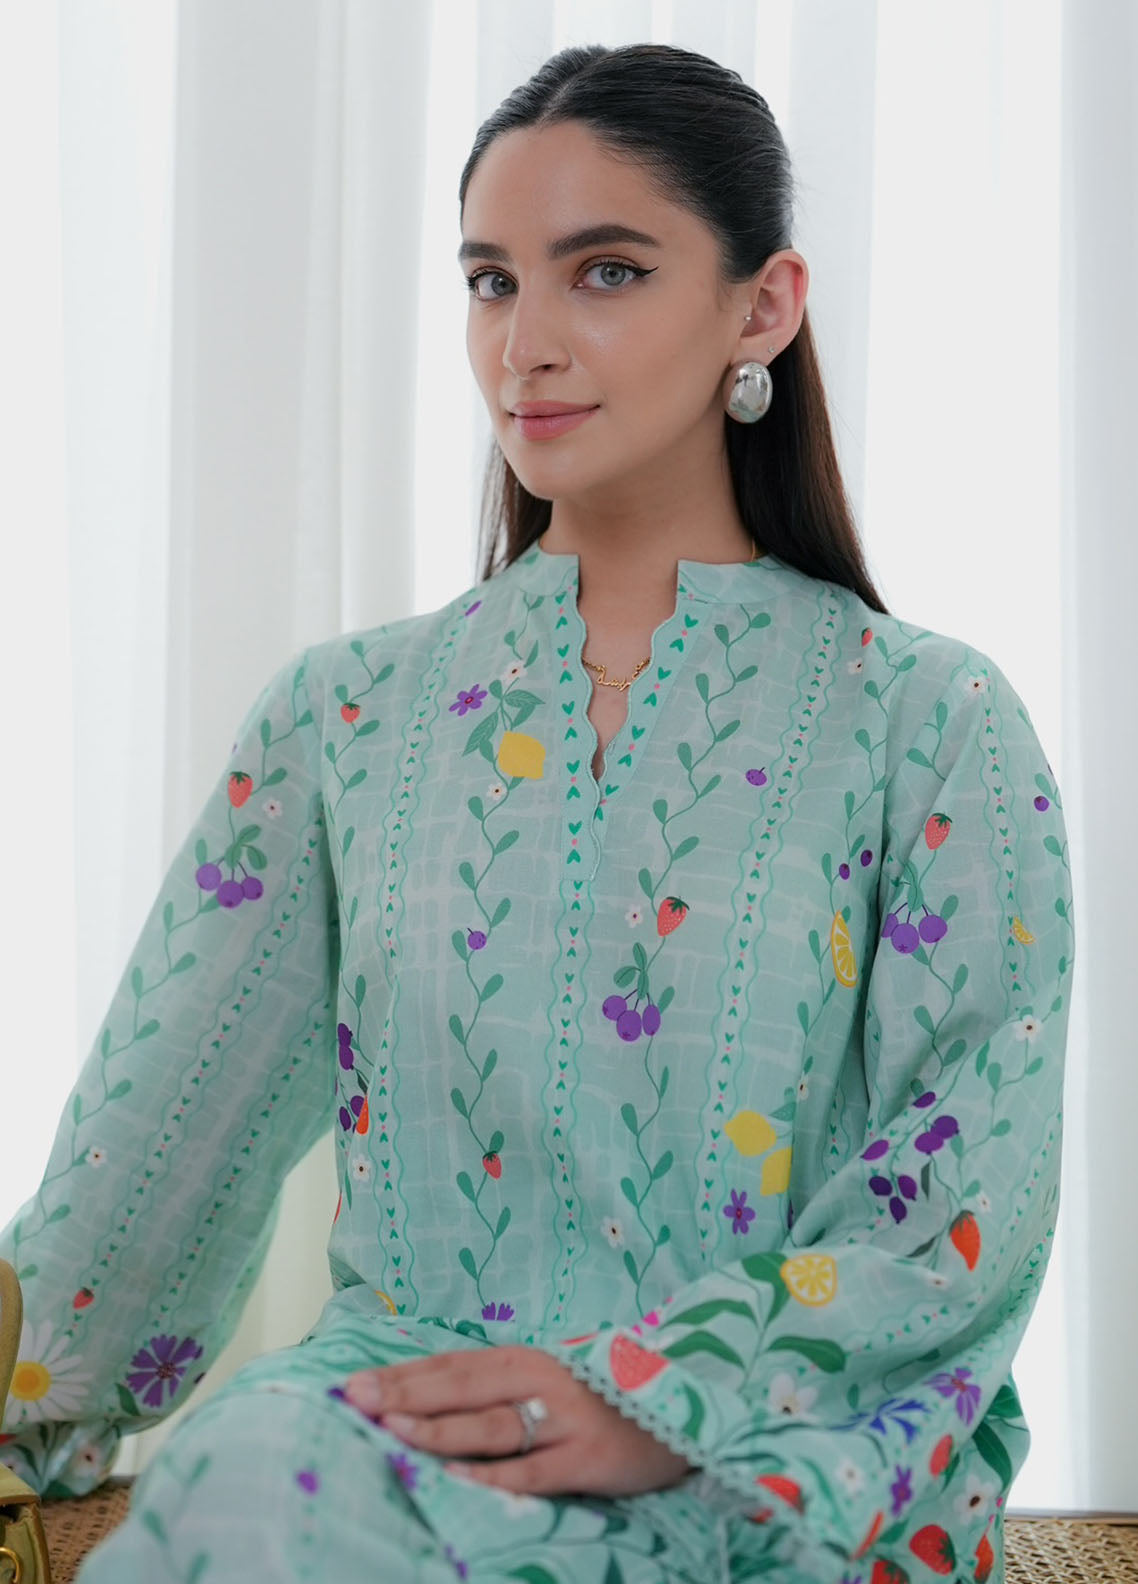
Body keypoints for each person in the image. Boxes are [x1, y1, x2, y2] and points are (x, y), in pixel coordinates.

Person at [0, 40, 1073, 1584]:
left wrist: (658, 1398)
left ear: (762, 307)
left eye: (607, 272)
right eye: (491, 282)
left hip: (777, 1461)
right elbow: (153, 1152)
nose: (527, 343)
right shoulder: (343, 719)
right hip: (386, 1433)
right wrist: (32, 1394)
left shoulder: (928, 723)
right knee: (251, 1479)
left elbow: (968, 1182)